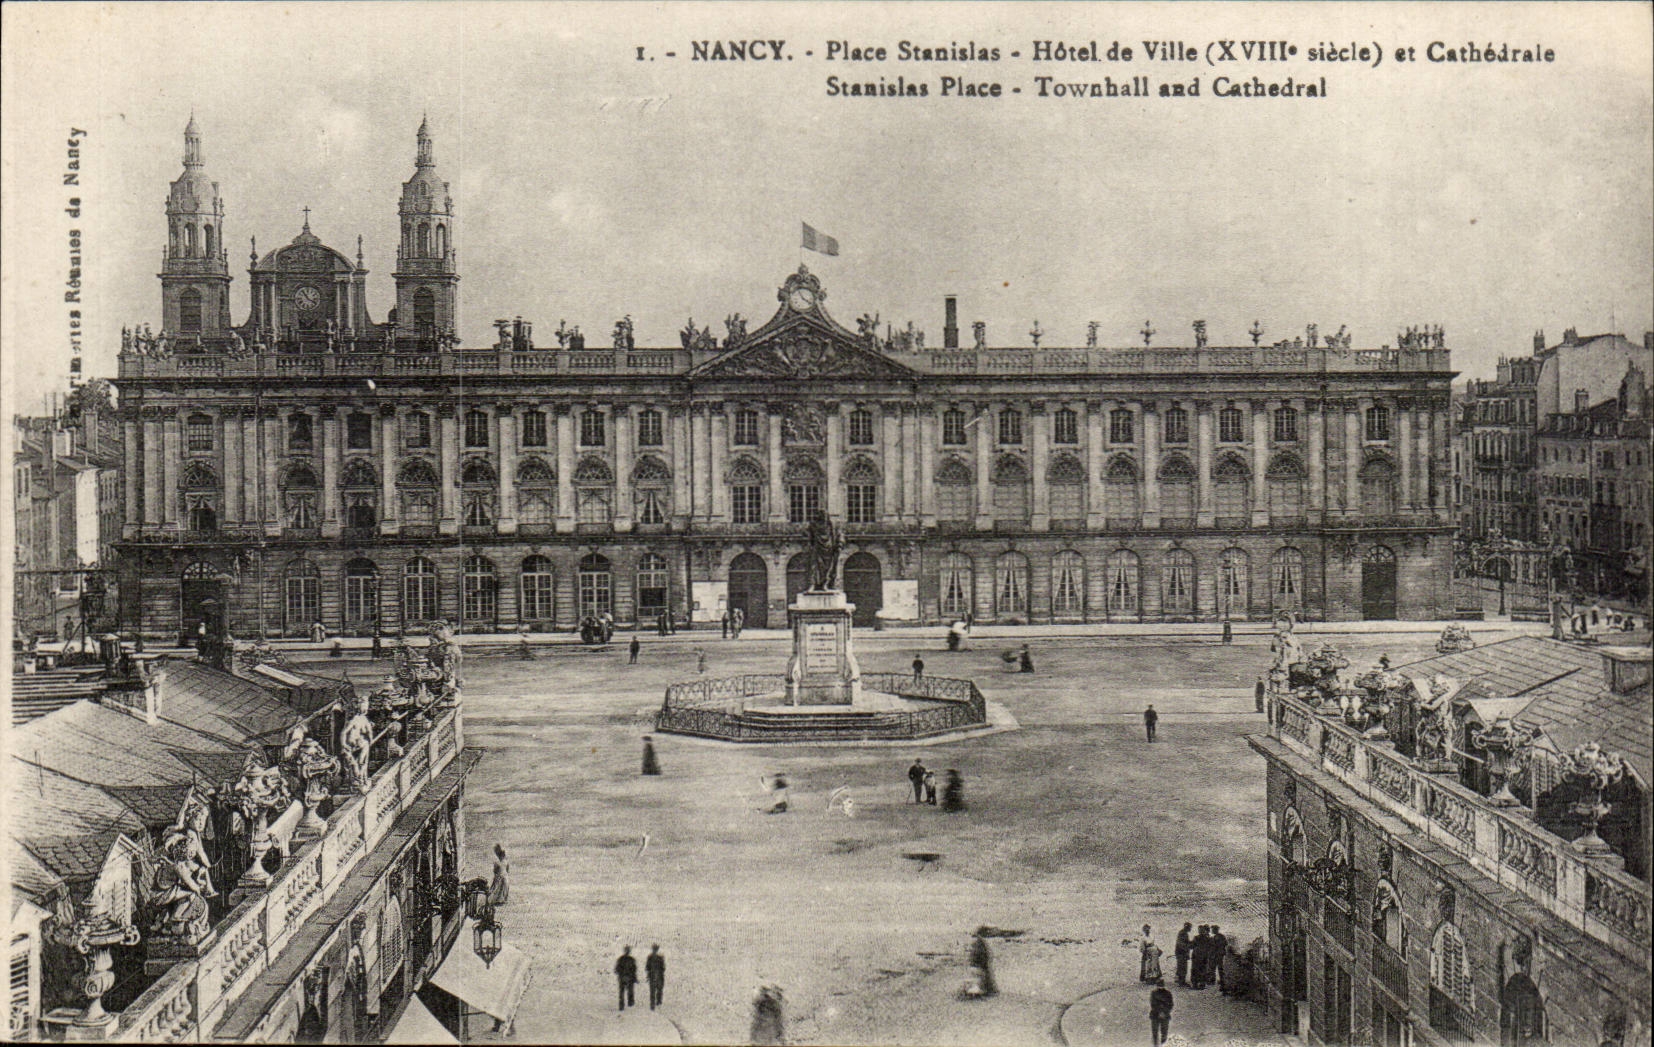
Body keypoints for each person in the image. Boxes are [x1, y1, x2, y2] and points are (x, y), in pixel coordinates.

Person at [1149, 978, 1175, 1045]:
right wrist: (1163, 1012)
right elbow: (1170, 1005)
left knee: (1160, 1033)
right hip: (1162, 1015)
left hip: (1156, 1015)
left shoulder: (1154, 993)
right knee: (1161, 1033)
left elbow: (1153, 1004)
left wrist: (1161, 1012)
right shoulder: (1168, 993)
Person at [615, 946, 638, 1011]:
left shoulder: (621, 959)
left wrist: (621, 974)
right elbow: (634, 970)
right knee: (628, 991)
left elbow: (617, 969)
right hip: (628, 978)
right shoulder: (631, 959)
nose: (627, 951)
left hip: (624, 977)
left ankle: (623, 1005)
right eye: (627, 950)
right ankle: (628, 1004)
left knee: (623, 992)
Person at [1190, 925, 1211, 989]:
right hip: (1204, 956)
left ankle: (1195, 984)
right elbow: (1210, 947)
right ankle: (1202, 984)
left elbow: (1191, 946)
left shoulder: (1196, 938)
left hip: (1196, 956)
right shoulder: (1207, 939)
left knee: (1195, 970)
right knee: (1203, 970)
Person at [645, 945, 666, 1010]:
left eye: (655, 949)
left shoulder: (650, 957)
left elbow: (647, 967)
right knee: (656, 990)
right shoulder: (659, 957)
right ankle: (656, 1003)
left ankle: (654, 1004)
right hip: (658, 976)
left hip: (655, 976)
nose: (654, 950)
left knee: (655, 991)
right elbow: (663, 968)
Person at [1209, 925, 1228, 992]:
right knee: (1214, 968)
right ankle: (1214, 980)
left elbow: (1224, 944)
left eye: (1213, 929)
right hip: (1216, 955)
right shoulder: (1216, 937)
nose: (1212, 931)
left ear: (1216, 930)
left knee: (1220, 969)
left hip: (1219, 955)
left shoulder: (1220, 936)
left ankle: (1222, 982)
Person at [1174, 922, 1193, 986]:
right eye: (1190, 927)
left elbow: (1185, 943)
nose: (1191, 929)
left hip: (1182, 953)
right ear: (1187, 927)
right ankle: (1181, 982)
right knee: (1182, 967)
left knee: (1182, 967)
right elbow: (1181, 944)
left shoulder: (1184, 933)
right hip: (1181, 953)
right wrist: (1189, 946)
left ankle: (1181, 981)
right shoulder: (1182, 933)